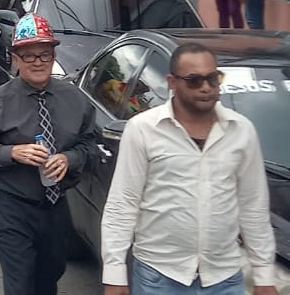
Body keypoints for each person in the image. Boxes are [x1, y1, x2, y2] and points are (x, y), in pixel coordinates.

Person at [101, 43, 278, 295]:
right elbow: (123, 204)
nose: (206, 87)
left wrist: (263, 276)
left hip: (224, 278)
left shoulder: (242, 131)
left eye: (212, 79)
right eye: (194, 80)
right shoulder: (143, 129)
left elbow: (253, 207)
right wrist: (115, 274)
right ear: (172, 82)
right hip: (158, 277)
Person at [0, 13, 98, 295]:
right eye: (29, 56)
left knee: (49, 278)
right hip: (11, 206)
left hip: (56, 207)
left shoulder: (75, 99)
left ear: (53, 56)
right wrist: (12, 152)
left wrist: (69, 158)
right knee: (20, 283)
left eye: (45, 54)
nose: (38, 62)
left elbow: (90, 145)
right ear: (15, 59)